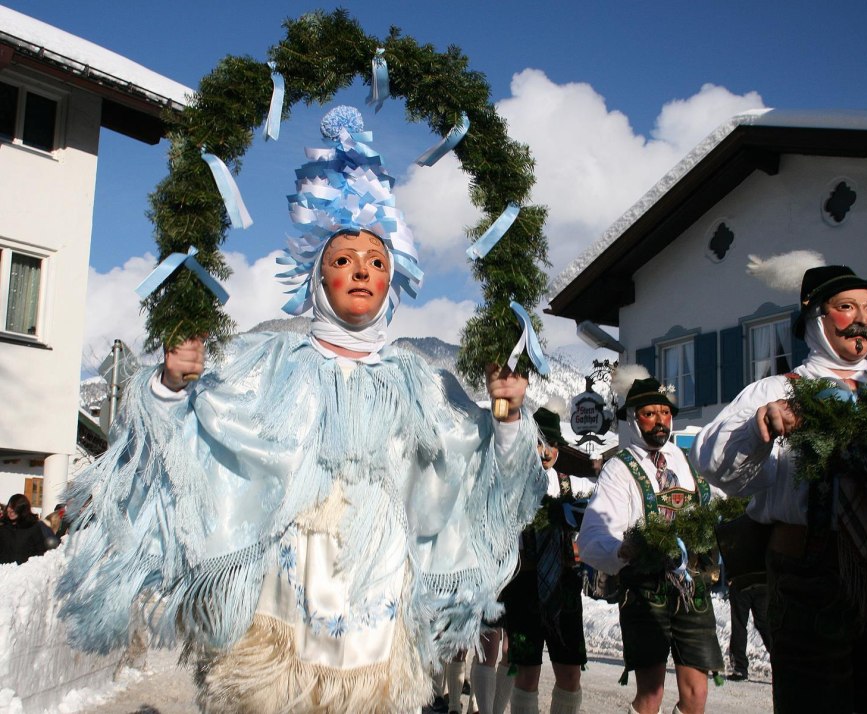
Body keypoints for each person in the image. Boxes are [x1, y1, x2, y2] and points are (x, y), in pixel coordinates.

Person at [58, 106, 547, 714]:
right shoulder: (268, 361)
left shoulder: (418, 381)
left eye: (376, 262)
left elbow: (472, 471)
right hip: (285, 583)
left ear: (393, 283)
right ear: (318, 277)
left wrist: (504, 417)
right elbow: (195, 437)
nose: (361, 271)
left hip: (377, 585)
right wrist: (170, 385)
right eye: (343, 261)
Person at [692, 265, 867, 713]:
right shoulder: (776, 389)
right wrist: (760, 430)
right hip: (808, 582)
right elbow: (715, 464)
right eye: (847, 307)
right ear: (816, 319)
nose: (863, 320)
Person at [578, 374, 723, 714]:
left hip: (692, 589)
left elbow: (721, 500)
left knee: (696, 694)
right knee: (651, 695)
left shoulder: (688, 462)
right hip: (645, 591)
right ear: (634, 418)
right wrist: (620, 550)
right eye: (650, 413)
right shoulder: (619, 469)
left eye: (665, 412)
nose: (660, 421)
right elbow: (591, 534)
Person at [503, 406, 594, 714]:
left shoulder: (572, 484)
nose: (546, 451)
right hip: (524, 584)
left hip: (564, 586)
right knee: (527, 674)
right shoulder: (511, 485)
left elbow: (602, 504)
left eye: (552, 444)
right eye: (539, 443)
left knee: (569, 672)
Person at [725, 579, 770, 681]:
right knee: (765, 626)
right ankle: (781, 663)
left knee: (739, 625)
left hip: (740, 581)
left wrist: (729, 576)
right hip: (762, 581)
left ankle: (740, 668)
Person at [0, 493, 48, 565]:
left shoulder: (32, 527)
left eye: (14, 509)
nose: (10, 511)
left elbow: (40, 552)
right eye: (9, 507)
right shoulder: (3, 526)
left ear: (22, 510)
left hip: (24, 572)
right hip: (4, 572)